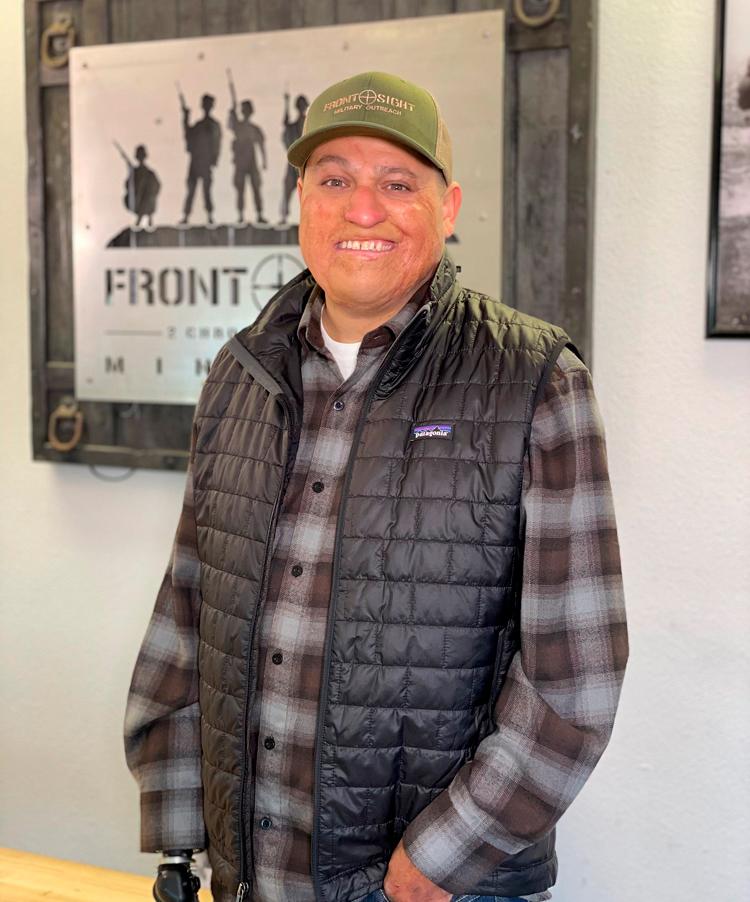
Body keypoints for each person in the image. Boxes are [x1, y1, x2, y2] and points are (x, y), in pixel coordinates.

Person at [125, 71, 628, 902]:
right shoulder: (239, 373)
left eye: (398, 183)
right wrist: (181, 841)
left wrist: (439, 861)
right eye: (335, 181)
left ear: (448, 207)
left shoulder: (536, 380)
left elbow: (577, 680)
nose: (363, 210)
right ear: (301, 202)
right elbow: (185, 616)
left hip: (441, 887)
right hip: (253, 875)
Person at [180, 92, 222, 226]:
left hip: (205, 161)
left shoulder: (214, 125)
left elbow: (217, 143)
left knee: (206, 190)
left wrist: (214, 158)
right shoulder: (199, 125)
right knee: (191, 189)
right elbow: (188, 135)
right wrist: (185, 118)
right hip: (196, 160)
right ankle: (186, 216)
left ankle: (209, 216)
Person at [228, 99, 267, 225]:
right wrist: (232, 112)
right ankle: (240, 215)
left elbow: (261, 145)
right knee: (240, 189)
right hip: (240, 161)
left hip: (251, 161)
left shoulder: (254, 129)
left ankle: (259, 214)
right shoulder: (238, 126)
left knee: (256, 188)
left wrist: (264, 161)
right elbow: (230, 125)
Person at [279, 92, 309, 224]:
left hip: (306, 163)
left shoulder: (309, 123)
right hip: (293, 163)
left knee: (308, 192)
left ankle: (308, 218)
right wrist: (286, 103)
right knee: (287, 189)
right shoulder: (294, 125)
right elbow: (286, 123)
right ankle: (283, 217)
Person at [118, 143, 160, 228]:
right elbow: (128, 184)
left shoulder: (150, 173)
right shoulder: (135, 172)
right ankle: (142, 221)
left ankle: (146, 220)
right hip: (138, 199)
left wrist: (150, 193)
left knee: (147, 200)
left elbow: (157, 186)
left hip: (147, 200)